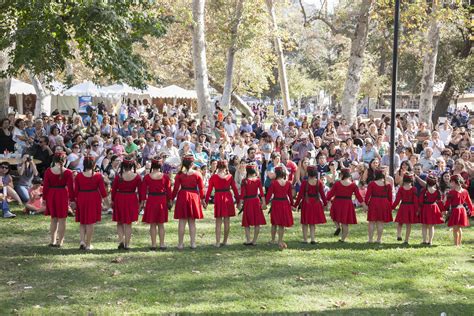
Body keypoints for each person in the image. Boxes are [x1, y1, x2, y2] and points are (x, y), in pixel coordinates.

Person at [171, 155, 205, 250]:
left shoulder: (179, 174)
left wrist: (171, 199)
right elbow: (202, 188)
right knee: (192, 221)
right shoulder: (197, 174)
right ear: (192, 163)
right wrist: (203, 199)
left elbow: (176, 189)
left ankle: (180, 244)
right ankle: (193, 243)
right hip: (193, 196)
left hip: (183, 196)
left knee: (182, 221)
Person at [74, 156, 107, 251]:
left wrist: (74, 201)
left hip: (82, 197)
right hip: (93, 198)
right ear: (93, 165)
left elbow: (76, 191)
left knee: (82, 221)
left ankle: (82, 241)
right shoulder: (98, 176)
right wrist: (108, 205)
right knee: (90, 222)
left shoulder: (79, 176)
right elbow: (103, 192)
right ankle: (88, 244)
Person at [43, 152, 75, 248]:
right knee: (62, 220)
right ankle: (60, 242)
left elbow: (45, 187)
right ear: (64, 160)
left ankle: (52, 241)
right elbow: (70, 187)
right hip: (62, 195)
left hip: (51, 195)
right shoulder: (68, 172)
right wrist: (72, 199)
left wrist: (44, 198)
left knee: (53, 219)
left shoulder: (48, 171)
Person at [205, 160, 240, 247]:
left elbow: (209, 190)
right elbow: (235, 189)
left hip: (218, 198)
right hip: (228, 198)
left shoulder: (213, 177)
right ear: (225, 167)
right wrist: (238, 201)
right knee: (227, 221)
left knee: (218, 221)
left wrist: (205, 201)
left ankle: (217, 242)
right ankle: (225, 241)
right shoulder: (230, 177)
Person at [140, 157, 172, 250]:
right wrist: (169, 201)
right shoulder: (165, 176)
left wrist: (142, 202)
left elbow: (143, 192)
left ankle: (153, 245)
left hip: (151, 200)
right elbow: (169, 191)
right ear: (160, 165)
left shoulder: (147, 177)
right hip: (162, 200)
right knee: (161, 224)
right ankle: (162, 244)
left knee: (152, 224)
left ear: (152, 165)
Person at [326, 168, 365, 242]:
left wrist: (326, 201)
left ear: (342, 175)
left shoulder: (337, 183)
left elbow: (330, 194)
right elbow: (358, 196)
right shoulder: (353, 185)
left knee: (334, 216)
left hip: (337, 202)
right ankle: (343, 239)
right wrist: (364, 204)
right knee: (345, 222)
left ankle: (337, 227)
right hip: (347, 203)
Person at [111, 158, 142, 250]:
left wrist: (112, 200)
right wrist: (141, 202)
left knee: (120, 222)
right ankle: (127, 244)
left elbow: (114, 190)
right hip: (131, 198)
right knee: (128, 223)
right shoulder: (137, 177)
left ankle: (121, 241)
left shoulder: (119, 176)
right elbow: (141, 191)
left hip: (120, 198)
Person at [293, 165, 327, 244]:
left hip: (306, 203)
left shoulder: (305, 183)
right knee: (312, 222)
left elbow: (300, 195)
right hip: (316, 203)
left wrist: (295, 205)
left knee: (305, 222)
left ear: (308, 173)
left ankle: (305, 239)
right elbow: (322, 194)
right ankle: (312, 239)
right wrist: (325, 203)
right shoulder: (319, 182)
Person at [265, 166, 293, 249]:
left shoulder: (273, 183)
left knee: (274, 222)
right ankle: (280, 240)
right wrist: (293, 204)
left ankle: (273, 240)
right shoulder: (288, 183)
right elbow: (290, 196)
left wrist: (264, 203)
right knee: (282, 224)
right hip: (285, 203)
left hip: (276, 203)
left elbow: (269, 195)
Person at [238, 163, 266, 245]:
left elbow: (242, 194)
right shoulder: (257, 180)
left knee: (247, 222)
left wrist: (239, 203)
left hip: (248, 202)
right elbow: (261, 193)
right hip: (256, 201)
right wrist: (263, 203)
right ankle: (254, 241)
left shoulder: (245, 181)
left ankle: (248, 240)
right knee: (257, 221)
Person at [364, 169, 393, 243]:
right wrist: (390, 206)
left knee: (371, 222)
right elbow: (390, 197)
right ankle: (379, 239)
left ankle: (370, 239)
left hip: (374, 202)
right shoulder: (388, 184)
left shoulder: (372, 183)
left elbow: (367, 196)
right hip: (384, 203)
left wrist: (365, 205)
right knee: (380, 222)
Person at [444, 175, 473, 246]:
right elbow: (469, 203)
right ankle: (459, 243)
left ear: (454, 182)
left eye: (451, 182)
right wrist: (472, 210)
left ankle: (456, 244)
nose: (450, 184)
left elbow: (447, 204)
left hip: (455, 211)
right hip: (462, 211)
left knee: (455, 228)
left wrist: (444, 209)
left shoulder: (451, 192)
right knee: (459, 228)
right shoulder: (465, 191)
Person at [392, 174, 419, 244]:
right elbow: (415, 201)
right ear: (412, 180)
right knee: (408, 224)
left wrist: (392, 207)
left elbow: (397, 200)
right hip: (410, 207)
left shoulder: (401, 188)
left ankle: (399, 234)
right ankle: (406, 240)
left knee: (400, 222)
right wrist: (417, 210)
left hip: (403, 206)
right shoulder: (414, 189)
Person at [418, 175, 444, 245]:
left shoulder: (424, 191)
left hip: (425, 208)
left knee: (424, 225)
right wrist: (442, 211)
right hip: (433, 208)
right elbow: (440, 202)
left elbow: (420, 201)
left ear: (427, 182)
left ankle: (424, 240)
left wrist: (418, 209)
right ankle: (430, 241)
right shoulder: (437, 191)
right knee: (431, 226)